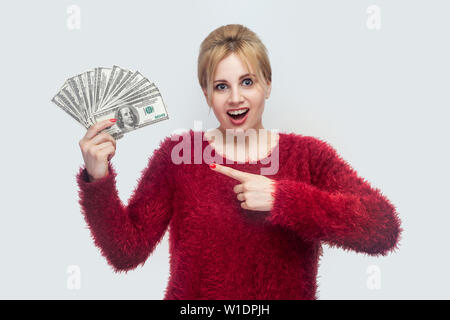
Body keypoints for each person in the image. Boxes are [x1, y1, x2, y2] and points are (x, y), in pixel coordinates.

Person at [76, 24, 402, 299]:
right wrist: (97, 177)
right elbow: (125, 251)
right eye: (221, 86)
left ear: (268, 84)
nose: (235, 98)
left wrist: (283, 199)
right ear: (206, 94)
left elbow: (381, 228)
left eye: (247, 82)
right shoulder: (177, 157)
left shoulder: (309, 156)